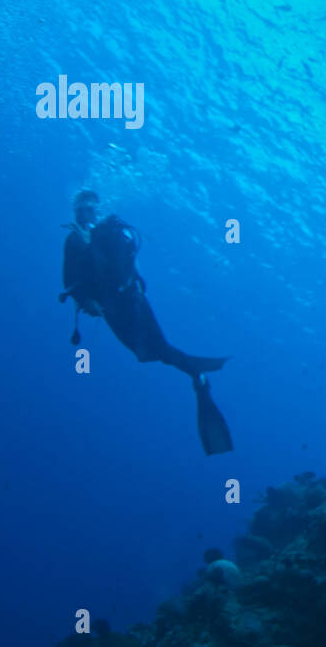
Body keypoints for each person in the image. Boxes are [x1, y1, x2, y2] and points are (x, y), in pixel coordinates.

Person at [59, 190, 233, 454]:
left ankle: (198, 377)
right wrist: (84, 300)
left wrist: (91, 245)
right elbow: (69, 279)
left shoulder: (111, 233)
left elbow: (123, 269)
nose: (84, 215)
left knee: (155, 349)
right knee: (146, 354)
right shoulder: (72, 240)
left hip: (131, 302)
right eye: (79, 210)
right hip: (110, 308)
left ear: (97, 211)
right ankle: (198, 377)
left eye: (88, 209)